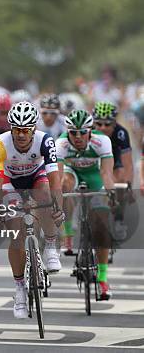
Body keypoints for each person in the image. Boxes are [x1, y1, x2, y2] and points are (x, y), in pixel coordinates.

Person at [0, 101, 64, 319]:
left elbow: (55, 179)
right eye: (17, 129)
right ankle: (20, 289)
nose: (21, 135)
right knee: (16, 235)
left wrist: (58, 207)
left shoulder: (45, 141)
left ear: (33, 128)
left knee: (45, 194)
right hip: (10, 181)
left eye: (25, 130)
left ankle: (50, 245)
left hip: (36, 177)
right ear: (10, 128)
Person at [55, 110, 115, 300]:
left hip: (94, 176)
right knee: (64, 185)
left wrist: (111, 192)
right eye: (73, 132)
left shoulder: (102, 141)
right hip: (71, 173)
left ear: (90, 130)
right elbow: (56, 176)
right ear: (68, 131)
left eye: (83, 132)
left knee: (101, 225)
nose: (78, 137)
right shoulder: (61, 143)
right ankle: (68, 233)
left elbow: (106, 173)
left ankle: (103, 277)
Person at [92, 101, 132, 240]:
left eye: (107, 124)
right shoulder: (87, 131)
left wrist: (128, 185)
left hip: (113, 159)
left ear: (114, 123)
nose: (102, 128)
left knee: (120, 180)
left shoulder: (121, 133)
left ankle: (118, 219)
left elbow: (127, 163)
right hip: (92, 159)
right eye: (99, 124)